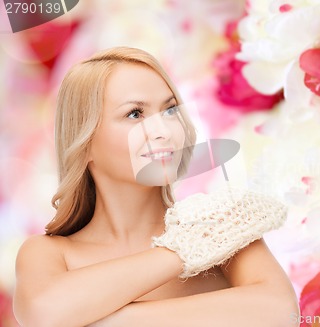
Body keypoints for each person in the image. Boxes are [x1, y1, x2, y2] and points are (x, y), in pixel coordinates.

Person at [13, 46, 299, 326]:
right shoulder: (47, 253)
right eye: (135, 114)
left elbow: (281, 312)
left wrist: (102, 319)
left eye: (170, 109)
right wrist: (182, 251)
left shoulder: (221, 227)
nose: (164, 131)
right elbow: (43, 314)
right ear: (84, 142)